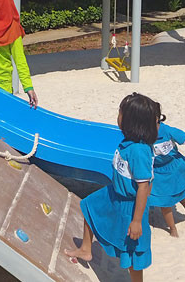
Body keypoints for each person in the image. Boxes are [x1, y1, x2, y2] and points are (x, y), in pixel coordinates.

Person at [63, 93, 158, 280]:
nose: (118, 116)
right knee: (90, 206)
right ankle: (85, 249)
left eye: (121, 113)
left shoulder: (138, 151)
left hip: (129, 206)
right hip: (113, 194)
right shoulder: (128, 144)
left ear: (132, 121)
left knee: (132, 252)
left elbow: (144, 187)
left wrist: (137, 220)